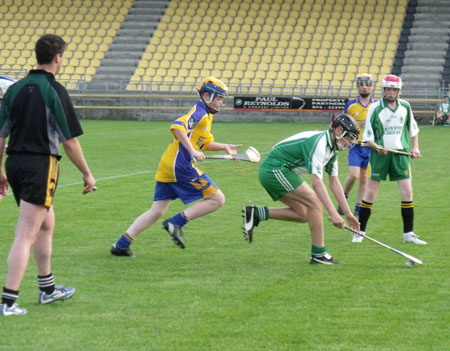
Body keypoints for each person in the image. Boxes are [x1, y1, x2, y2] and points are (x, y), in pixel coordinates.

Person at [0, 34, 96, 316]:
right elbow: (69, 141)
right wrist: (87, 174)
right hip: (40, 165)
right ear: (58, 58)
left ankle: (47, 289)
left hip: (15, 164)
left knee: (46, 223)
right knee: (25, 234)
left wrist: (0, 171)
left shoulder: (15, 89)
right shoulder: (55, 91)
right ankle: (8, 302)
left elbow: (1, 136)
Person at [110, 76, 242, 257]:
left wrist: (225, 147)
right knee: (217, 199)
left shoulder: (206, 115)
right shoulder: (200, 112)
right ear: (206, 95)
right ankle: (176, 223)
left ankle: (121, 246)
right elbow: (178, 127)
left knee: (157, 211)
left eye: (222, 99)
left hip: (168, 165)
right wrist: (192, 152)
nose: (220, 102)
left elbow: (203, 143)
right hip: (180, 166)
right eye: (218, 98)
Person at [242, 113, 361, 265]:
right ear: (338, 131)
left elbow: (334, 182)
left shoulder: (332, 150)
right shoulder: (319, 144)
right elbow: (317, 183)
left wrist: (348, 214)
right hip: (274, 169)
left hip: (279, 170)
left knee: (304, 214)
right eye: (349, 137)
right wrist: (333, 214)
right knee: (316, 204)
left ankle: (256, 213)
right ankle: (319, 254)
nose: (350, 142)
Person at [359, 74, 426, 245]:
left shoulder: (405, 106)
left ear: (399, 91)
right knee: (371, 193)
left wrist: (415, 147)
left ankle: (408, 234)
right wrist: (377, 147)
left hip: (400, 155)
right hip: (379, 156)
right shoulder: (375, 108)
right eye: (388, 89)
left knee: (407, 192)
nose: (391, 92)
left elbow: (413, 129)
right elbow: (367, 137)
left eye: (394, 90)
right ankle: (360, 231)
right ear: (383, 90)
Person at [337, 73, 376, 242]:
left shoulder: (376, 105)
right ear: (357, 86)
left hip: (370, 147)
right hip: (355, 147)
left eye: (367, 84)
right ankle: (344, 195)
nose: (364, 87)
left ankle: (359, 207)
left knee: (364, 180)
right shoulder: (351, 105)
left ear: (372, 86)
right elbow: (343, 122)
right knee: (353, 175)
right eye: (361, 84)